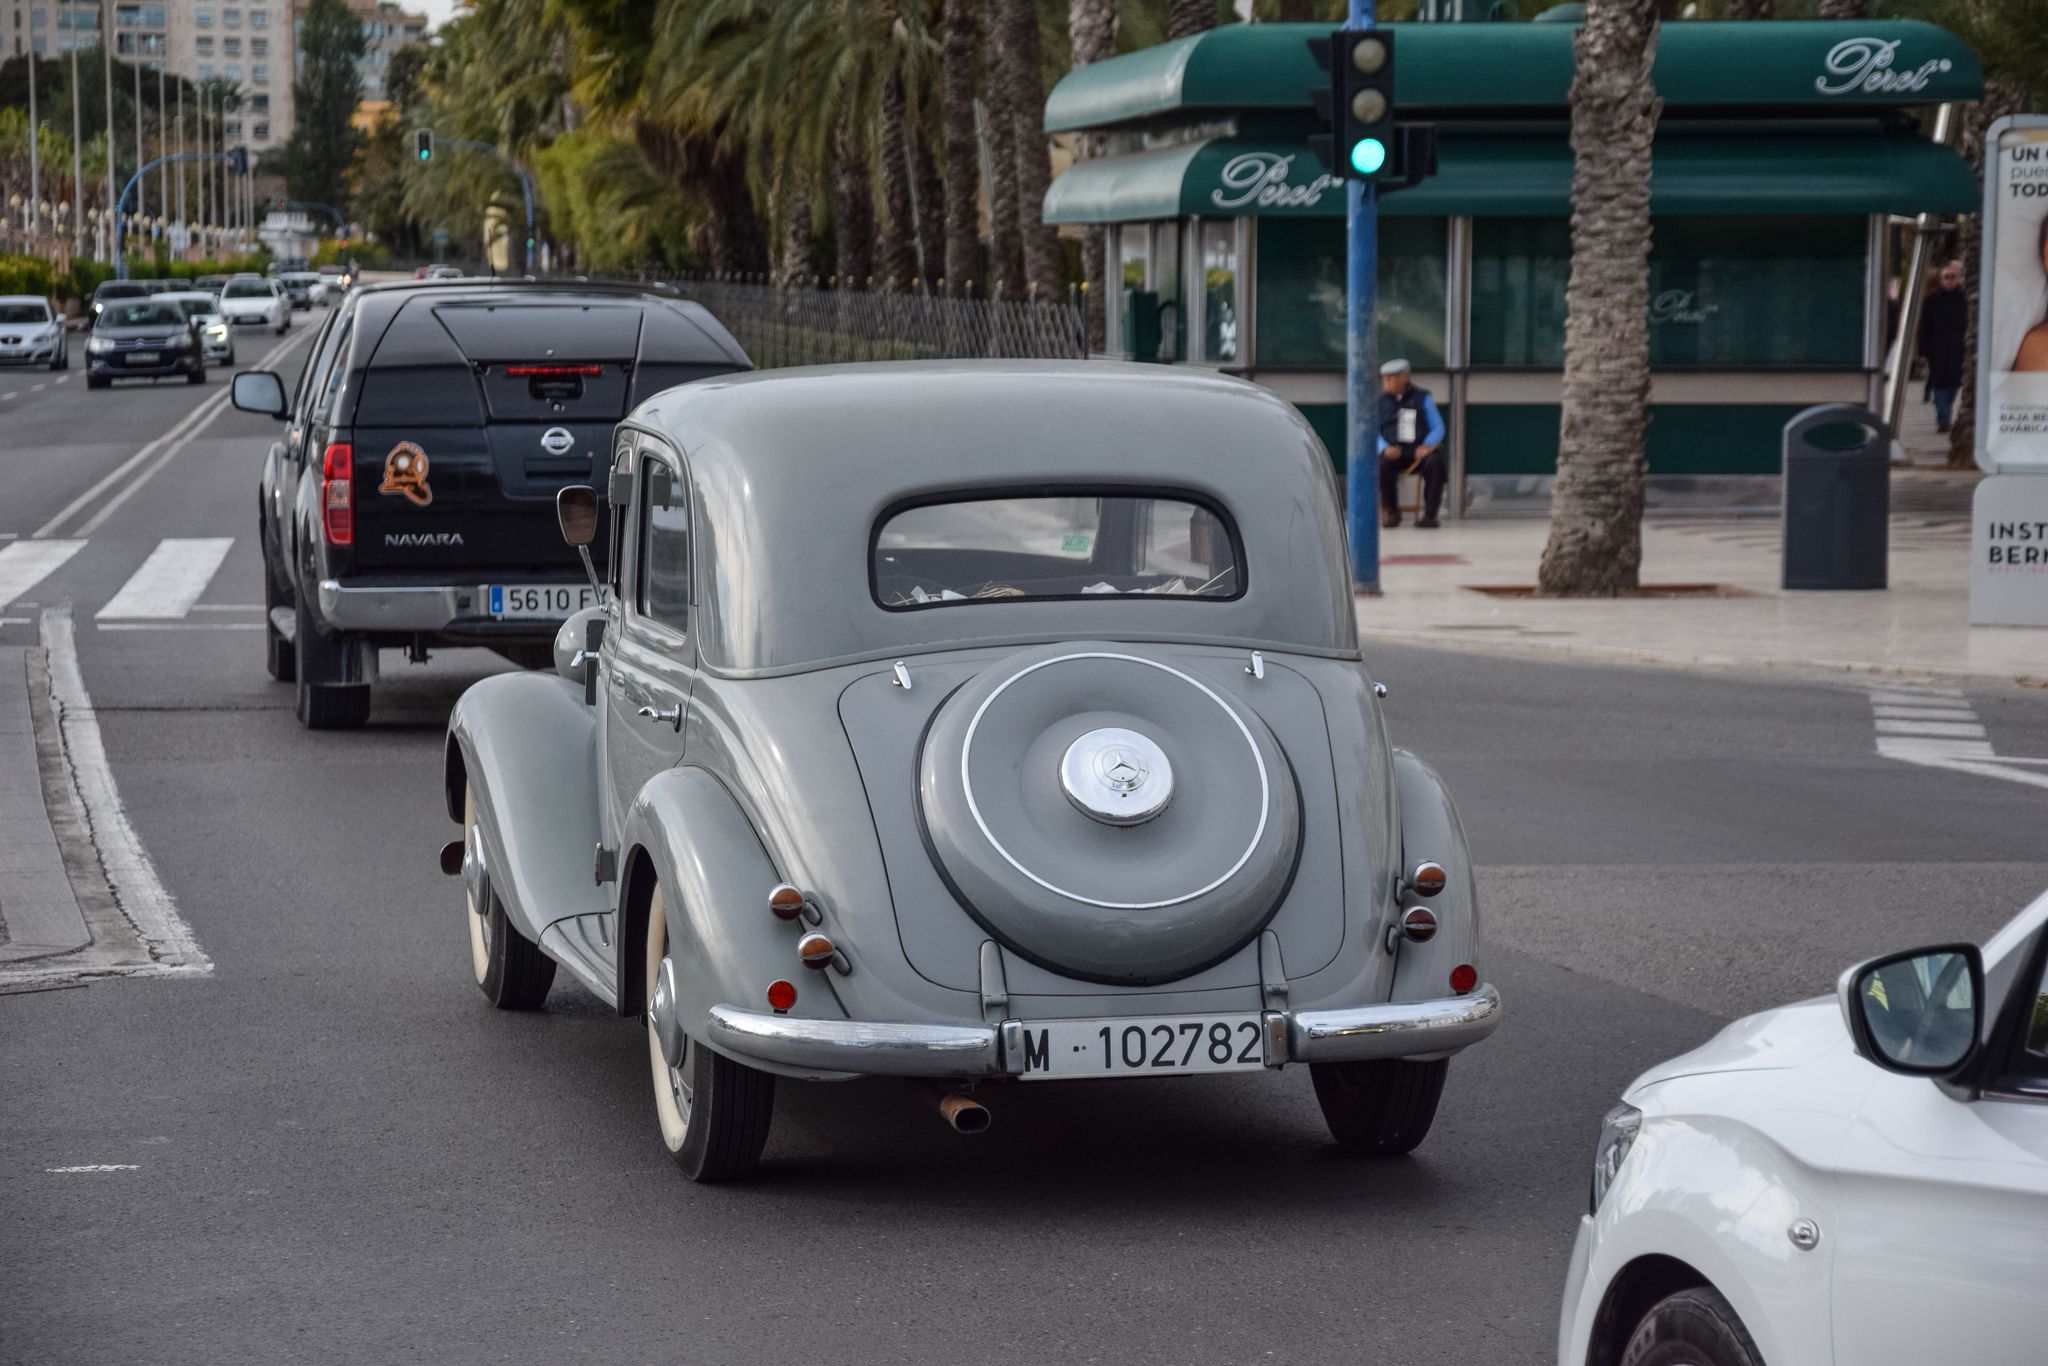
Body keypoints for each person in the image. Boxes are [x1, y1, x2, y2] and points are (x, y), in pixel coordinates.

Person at [1376, 358, 1447, 529]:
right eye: (1384, 378)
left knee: (1435, 462)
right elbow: (1372, 432)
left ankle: (1430, 515)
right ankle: (1392, 512)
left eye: (1390, 378)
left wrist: (1427, 445)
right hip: (1393, 452)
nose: (1385, 382)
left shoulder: (1423, 398)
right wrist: (1384, 448)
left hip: (1418, 452)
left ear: (1404, 378)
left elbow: (1438, 426)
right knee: (1382, 465)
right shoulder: (1379, 402)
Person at [1917, 259, 1967, 433]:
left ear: (1959, 278)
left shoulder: (1965, 301)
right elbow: (1924, 326)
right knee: (1939, 384)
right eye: (1946, 277)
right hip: (1937, 350)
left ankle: (1946, 413)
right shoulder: (1931, 301)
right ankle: (1943, 418)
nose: (1949, 280)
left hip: (1958, 350)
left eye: (1953, 277)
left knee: (1953, 384)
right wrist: (1923, 351)